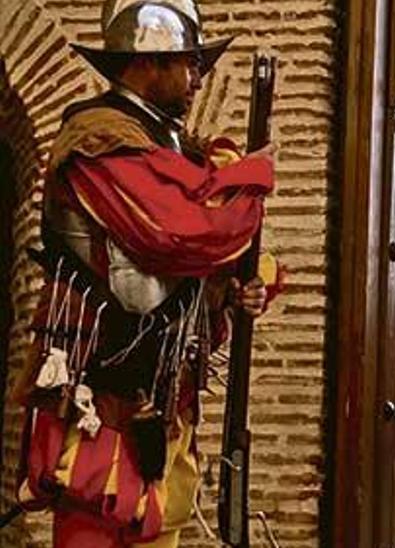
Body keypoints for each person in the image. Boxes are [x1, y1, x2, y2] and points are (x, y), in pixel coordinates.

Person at [12, 1, 276, 545]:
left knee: (163, 518)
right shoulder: (99, 138)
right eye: (188, 62)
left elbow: (213, 255)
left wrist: (237, 288)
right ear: (148, 62)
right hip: (103, 388)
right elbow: (183, 232)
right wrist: (248, 176)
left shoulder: (176, 148)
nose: (198, 78)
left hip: (163, 387)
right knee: (98, 517)